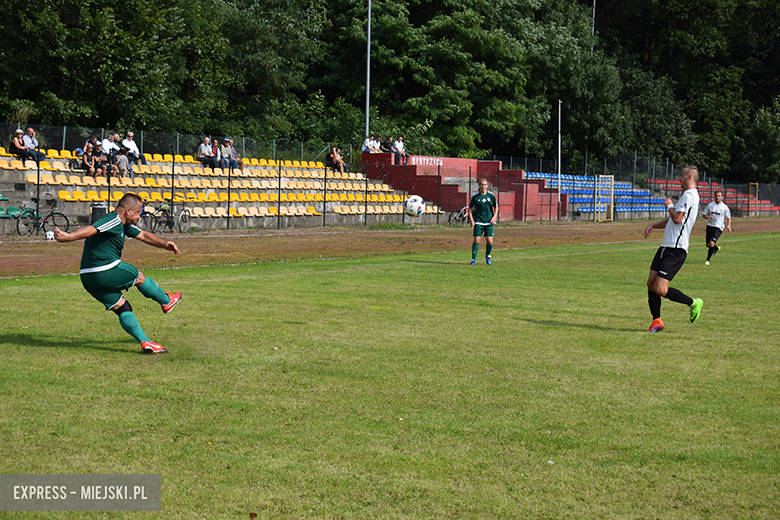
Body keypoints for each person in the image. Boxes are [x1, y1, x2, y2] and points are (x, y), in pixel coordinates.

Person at [53, 193, 182, 354]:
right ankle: (166, 300)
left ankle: (146, 342)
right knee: (138, 276)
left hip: (88, 278)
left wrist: (163, 244)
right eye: (138, 212)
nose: (139, 216)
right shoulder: (113, 219)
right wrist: (69, 237)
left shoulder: (123, 224)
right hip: (104, 269)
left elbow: (142, 235)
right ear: (128, 211)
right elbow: (92, 229)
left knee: (122, 307)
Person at [643, 165, 703, 333]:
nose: (679, 178)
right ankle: (656, 321)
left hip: (676, 250)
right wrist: (653, 225)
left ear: (689, 177)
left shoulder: (689, 195)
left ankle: (694, 303)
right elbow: (672, 220)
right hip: (666, 247)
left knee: (660, 289)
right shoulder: (687, 195)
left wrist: (669, 206)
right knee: (651, 284)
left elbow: (676, 218)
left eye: (682, 175)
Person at [468, 178, 498, 265]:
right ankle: (473, 259)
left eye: (485, 185)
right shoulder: (475, 196)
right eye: (481, 184)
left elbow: (496, 207)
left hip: (489, 222)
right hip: (478, 221)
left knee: (489, 241)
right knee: (477, 240)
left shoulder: (491, 196)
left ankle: (488, 255)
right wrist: (472, 220)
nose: (483, 186)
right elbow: (470, 209)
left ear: (487, 186)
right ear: (479, 185)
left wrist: (494, 217)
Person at [702, 190, 732, 265]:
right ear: (714, 196)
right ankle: (716, 248)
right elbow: (704, 214)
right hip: (710, 226)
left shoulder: (724, 207)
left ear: (722, 197)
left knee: (712, 243)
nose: (717, 197)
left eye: (719, 196)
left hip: (719, 227)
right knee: (708, 245)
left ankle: (707, 260)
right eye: (716, 196)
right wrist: (707, 217)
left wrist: (728, 225)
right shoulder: (710, 205)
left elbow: (728, 217)